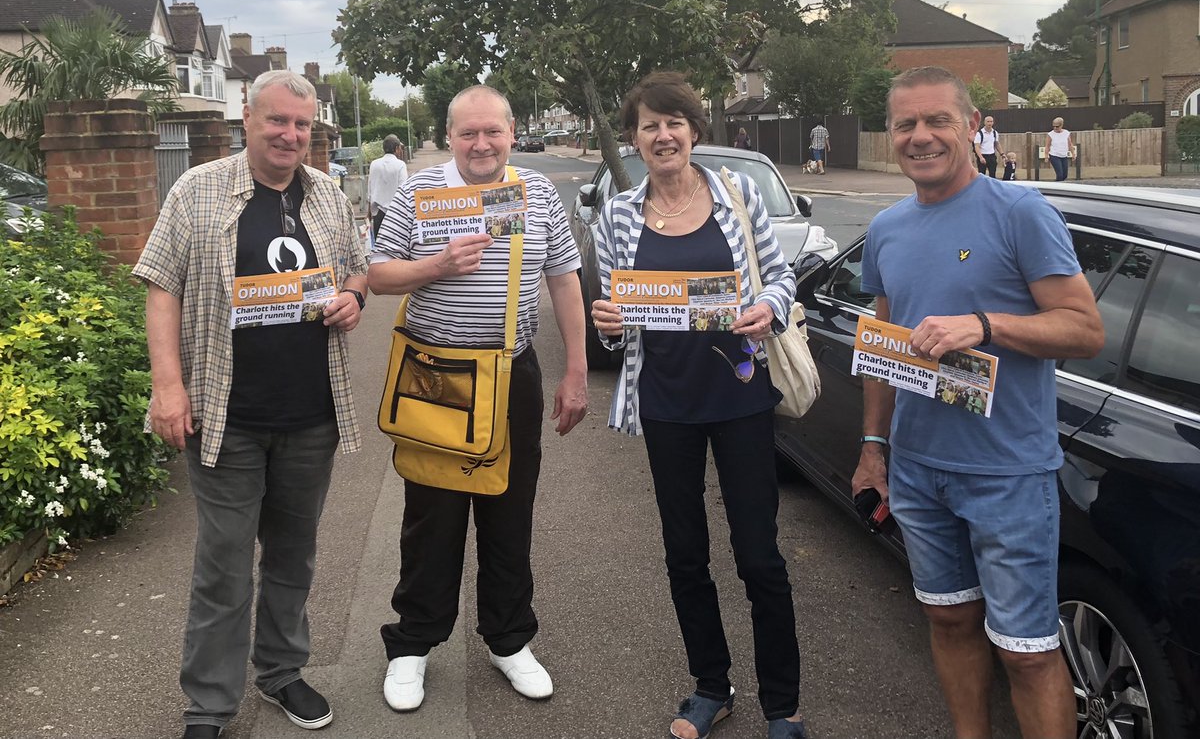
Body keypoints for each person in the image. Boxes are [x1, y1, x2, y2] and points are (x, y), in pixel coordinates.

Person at [852, 66, 1103, 739]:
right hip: (917, 470)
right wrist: (873, 447)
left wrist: (987, 325)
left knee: (1027, 654)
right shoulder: (887, 228)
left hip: (1007, 476)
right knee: (948, 620)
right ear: (892, 135)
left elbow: (1085, 330)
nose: (921, 136)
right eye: (906, 124)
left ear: (971, 127)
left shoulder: (1021, 212)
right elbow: (884, 346)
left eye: (938, 121)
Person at [133, 69, 369, 739]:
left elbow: (357, 268)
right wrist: (168, 385)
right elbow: (160, 287)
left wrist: (354, 296)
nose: (290, 135)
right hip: (225, 417)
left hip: (312, 418)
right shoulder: (197, 188)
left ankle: (280, 671)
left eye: (301, 125)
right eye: (277, 121)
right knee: (224, 567)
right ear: (247, 115)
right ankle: (208, 706)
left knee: (294, 559)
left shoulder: (325, 194)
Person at [591, 71, 808, 739]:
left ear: (694, 131)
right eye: (649, 125)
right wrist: (607, 322)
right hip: (665, 402)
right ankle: (711, 687)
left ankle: (783, 704)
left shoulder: (737, 195)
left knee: (759, 555)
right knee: (684, 554)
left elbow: (780, 276)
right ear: (634, 140)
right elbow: (617, 317)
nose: (663, 135)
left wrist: (767, 308)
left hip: (738, 394)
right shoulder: (618, 217)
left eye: (674, 122)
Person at [370, 85, 588, 712]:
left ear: (512, 133)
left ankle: (509, 638)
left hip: (512, 372)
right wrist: (436, 266)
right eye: (468, 132)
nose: (481, 143)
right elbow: (378, 275)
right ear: (449, 136)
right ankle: (412, 642)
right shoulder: (420, 192)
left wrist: (575, 371)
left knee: (509, 511)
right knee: (430, 514)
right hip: (436, 374)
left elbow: (565, 280)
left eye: (492, 131)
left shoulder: (537, 193)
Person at [368, 134, 409, 238]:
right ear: (396, 148)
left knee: (379, 247)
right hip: (395, 214)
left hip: (378, 214)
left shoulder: (374, 164)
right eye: (400, 148)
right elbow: (404, 189)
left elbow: (370, 190)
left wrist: (369, 213)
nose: (400, 150)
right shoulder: (400, 165)